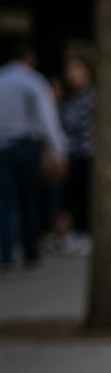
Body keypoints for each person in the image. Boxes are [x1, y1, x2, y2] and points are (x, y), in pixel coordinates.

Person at [0, 42, 67, 269]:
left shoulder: (2, 79)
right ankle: (30, 253)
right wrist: (59, 150)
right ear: (29, 59)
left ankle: (6, 255)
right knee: (29, 200)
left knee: (5, 203)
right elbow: (47, 118)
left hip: (3, 147)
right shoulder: (33, 81)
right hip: (25, 145)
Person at [59, 55, 96, 256]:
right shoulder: (68, 99)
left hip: (88, 154)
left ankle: (85, 234)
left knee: (84, 195)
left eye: (77, 69)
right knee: (70, 196)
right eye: (70, 70)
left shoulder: (93, 98)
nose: (72, 75)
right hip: (70, 154)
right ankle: (72, 234)